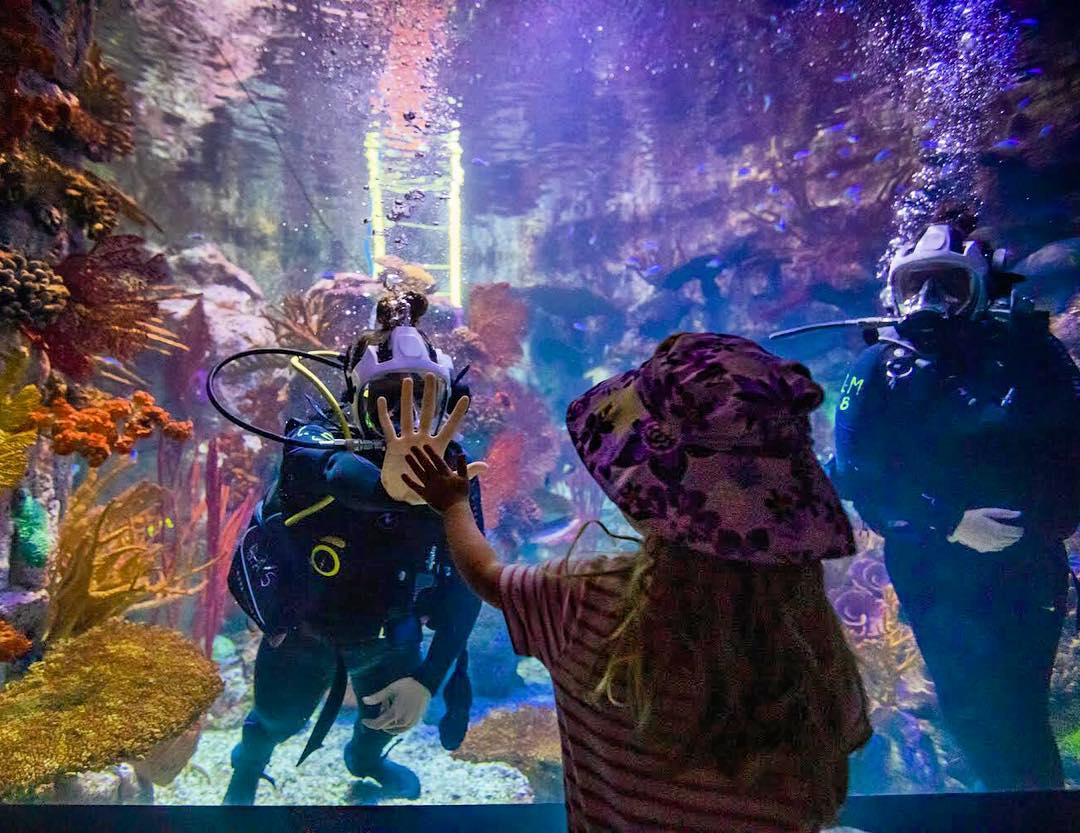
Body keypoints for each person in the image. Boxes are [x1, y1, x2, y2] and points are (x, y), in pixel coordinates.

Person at [400, 333, 872, 832]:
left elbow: (488, 578)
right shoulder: (808, 643)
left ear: (649, 491)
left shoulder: (587, 601)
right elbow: (831, 785)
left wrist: (452, 505)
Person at [831, 209, 1080, 790]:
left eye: (949, 283)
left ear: (979, 287)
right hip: (932, 570)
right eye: (914, 284)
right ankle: (1024, 809)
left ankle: (1033, 811)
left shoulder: (1030, 353)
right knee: (969, 708)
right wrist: (948, 522)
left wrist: (1041, 527)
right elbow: (855, 472)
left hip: (1024, 566)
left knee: (1019, 708)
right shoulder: (879, 368)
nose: (929, 299)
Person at [222, 291, 485, 805]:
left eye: (423, 398)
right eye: (388, 400)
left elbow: (468, 582)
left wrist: (429, 681)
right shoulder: (315, 442)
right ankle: (248, 767)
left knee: (385, 721)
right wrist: (391, 489)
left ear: (446, 402)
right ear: (357, 401)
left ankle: (363, 762)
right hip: (303, 629)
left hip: (388, 632)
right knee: (274, 719)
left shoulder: (455, 470)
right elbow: (334, 474)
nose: (406, 419)